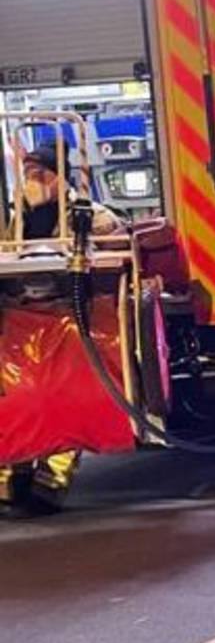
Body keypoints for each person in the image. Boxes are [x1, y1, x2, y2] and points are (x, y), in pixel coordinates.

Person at [0, 135, 120, 513]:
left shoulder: (88, 214)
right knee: (17, 395)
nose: (31, 179)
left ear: (57, 176)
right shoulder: (16, 219)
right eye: (27, 172)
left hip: (70, 318)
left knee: (68, 393)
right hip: (22, 319)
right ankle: (11, 472)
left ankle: (53, 474)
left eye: (38, 172)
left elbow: (115, 243)